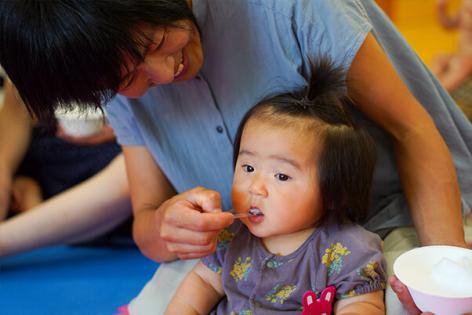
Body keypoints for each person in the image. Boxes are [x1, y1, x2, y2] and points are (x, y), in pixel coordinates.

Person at [1, 1, 471, 314]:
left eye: (154, 44)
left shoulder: (289, 10)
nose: (166, 73)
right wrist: (168, 225)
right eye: (131, 79)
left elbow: (412, 129)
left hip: (395, 217)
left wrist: (445, 275)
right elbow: (148, 223)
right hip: (252, 245)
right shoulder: (110, 76)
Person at [165, 60, 386, 315]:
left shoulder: (348, 251)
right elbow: (201, 284)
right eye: (248, 168)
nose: (256, 187)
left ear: (334, 192)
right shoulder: (231, 236)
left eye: (281, 176)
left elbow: (361, 306)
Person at [0, 78, 132, 256]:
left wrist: (125, 129)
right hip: (48, 172)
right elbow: (16, 98)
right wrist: (4, 172)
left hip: (115, 183)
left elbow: (133, 180)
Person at [431, 0, 472, 92]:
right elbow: (448, 25)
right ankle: (427, 88)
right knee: (440, 58)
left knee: (462, 64)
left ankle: (440, 93)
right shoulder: (465, 6)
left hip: (468, 57)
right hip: (462, 54)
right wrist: (441, 8)